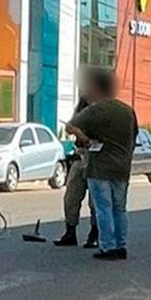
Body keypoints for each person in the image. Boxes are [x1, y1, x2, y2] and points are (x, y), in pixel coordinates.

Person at [67, 69, 137, 261]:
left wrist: (84, 138)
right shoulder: (127, 111)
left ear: (96, 87)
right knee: (119, 208)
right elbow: (134, 136)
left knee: (103, 208)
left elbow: (70, 126)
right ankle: (121, 246)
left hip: (100, 168)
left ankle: (107, 247)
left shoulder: (96, 110)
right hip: (122, 168)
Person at [55, 96, 98, 248]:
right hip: (80, 156)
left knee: (95, 200)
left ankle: (95, 233)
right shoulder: (82, 106)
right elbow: (70, 127)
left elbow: (99, 139)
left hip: (96, 158)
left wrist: (82, 135)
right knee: (71, 197)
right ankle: (70, 231)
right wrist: (73, 129)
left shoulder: (103, 109)